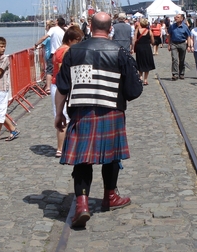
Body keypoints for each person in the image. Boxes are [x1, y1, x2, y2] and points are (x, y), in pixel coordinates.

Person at [54, 12, 143, 228]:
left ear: (90, 27)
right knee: (111, 157)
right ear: (110, 27)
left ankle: (82, 204)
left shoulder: (73, 52)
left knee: (82, 159)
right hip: (111, 111)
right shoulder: (120, 52)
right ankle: (110, 196)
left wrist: (59, 113)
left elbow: (63, 87)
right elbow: (133, 91)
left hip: (81, 111)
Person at [51, 26, 84, 157]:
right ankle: (61, 147)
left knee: (62, 116)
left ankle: (63, 146)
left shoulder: (59, 49)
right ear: (71, 40)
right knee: (64, 117)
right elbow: (63, 70)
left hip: (55, 84)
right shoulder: (67, 51)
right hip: (61, 86)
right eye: (78, 40)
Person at [35, 17, 66, 93]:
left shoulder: (53, 29)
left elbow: (44, 37)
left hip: (53, 53)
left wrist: (36, 44)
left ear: (57, 22)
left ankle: (48, 88)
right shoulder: (63, 31)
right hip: (62, 52)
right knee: (60, 69)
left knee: (50, 70)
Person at [133, 17, 156, 85]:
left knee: (140, 62)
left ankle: (140, 77)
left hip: (139, 48)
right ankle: (145, 79)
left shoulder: (137, 30)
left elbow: (134, 39)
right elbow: (152, 41)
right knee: (147, 63)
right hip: (147, 48)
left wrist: (132, 48)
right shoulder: (149, 31)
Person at [168, 13, 190, 80]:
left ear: (181, 19)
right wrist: (169, 44)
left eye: (177, 17)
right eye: (175, 17)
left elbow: (188, 36)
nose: (175, 18)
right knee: (174, 59)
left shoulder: (185, 27)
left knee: (182, 59)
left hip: (182, 43)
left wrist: (189, 46)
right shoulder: (172, 26)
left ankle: (181, 73)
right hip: (174, 44)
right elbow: (169, 35)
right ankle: (175, 74)